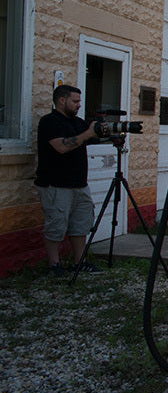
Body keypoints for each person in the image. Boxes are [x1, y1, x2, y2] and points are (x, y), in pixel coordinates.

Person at [35, 85, 102, 277]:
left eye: (79, 101)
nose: (79, 105)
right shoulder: (49, 122)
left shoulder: (77, 122)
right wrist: (88, 134)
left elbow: (95, 135)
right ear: (62, 100)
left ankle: (79, 262)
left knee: (80, 225)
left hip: (79, 184)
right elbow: (61, 147)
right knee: (56, 225)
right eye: (75, 101)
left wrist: (109, 130)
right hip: (55, 184)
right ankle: (54, 265)